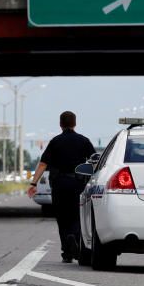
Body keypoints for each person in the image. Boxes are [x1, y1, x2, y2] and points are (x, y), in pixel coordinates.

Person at [27, 110, 96, 263]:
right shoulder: (84, 141)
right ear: (75, 123)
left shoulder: (55, 142)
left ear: (60, 124)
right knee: (77, 215)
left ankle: (66, 252)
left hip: (59, 185)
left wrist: (33, 183)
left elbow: (43, 164)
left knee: (62, 217)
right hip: (78, 184)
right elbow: (94, 161)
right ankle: (76, 240)